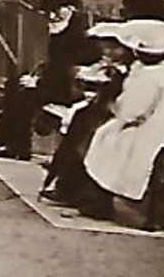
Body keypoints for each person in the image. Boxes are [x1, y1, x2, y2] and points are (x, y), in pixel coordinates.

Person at [0, 0, 93, 162]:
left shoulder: (76, 33)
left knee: (24, 98)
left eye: (57, 11)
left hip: (74, 87)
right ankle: (17, 146)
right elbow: (55, 65)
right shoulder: (64, 27)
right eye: (48, 12)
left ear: (69, 8)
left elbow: (65, 68)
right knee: (14, 86)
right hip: (61, 83)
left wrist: (38, 83)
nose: (52, 16)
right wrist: (36, 78)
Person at [79, 19, 164, 221]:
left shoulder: (149, 76)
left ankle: (100, 199)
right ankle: (95, 195)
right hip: (160, 126)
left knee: (105, 137)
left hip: (152, 131)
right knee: (104, 134)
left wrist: (112, 105)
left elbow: (130, 111)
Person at [40, 22, 129, 203]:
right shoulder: (110, 66)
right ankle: (62, 179)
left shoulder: (130, 70)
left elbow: (127, 103)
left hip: (123, 117)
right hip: (106, 111)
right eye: (106, 48)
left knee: (85, 130)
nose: (109, 53)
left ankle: (67, 183)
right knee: (80, 122)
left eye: (114, 49)